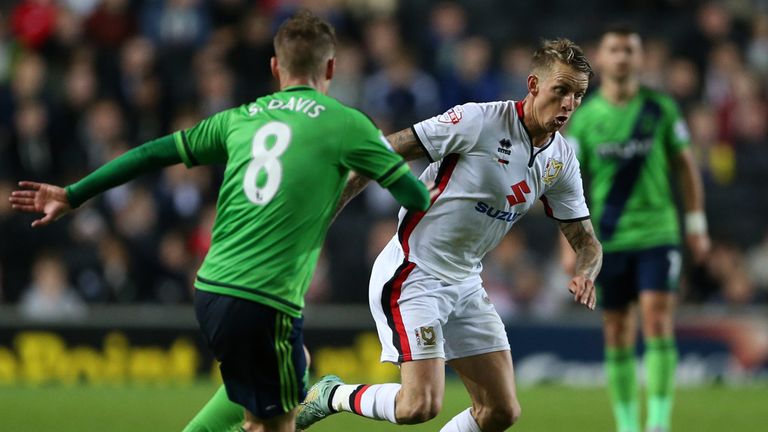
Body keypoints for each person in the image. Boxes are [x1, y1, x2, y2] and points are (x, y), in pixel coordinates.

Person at [9, 10, 430, 432]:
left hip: (211, 289)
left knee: (277, 385)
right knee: (277, 423)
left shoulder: (240, 118)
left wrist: (72, 194)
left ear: (275, 67)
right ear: (331, 67)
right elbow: (412, 195)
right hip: (267, 300)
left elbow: (151, 154)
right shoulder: (347, 124)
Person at [297, 38, 603, 432]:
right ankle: (332, 394)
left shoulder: (560, 160)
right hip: (414, 272)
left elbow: (586, 240)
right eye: (561, 90)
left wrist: (587, 271)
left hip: (466, 282)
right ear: (533, 85)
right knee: (418, 405)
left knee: (500, 411)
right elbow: (380, 154)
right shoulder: (479, 121)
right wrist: (317, 224)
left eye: (578, 95)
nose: (568, 104)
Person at [562, 26, 710, 432]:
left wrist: (696, 225)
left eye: (630, 50)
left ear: (641, 58)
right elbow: (567, 185)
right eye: (615, 49)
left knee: (657, 317)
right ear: (602, 58)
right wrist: (569, 244)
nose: (623, 57)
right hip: (608, 239)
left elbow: (687, 169)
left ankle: (658, 422)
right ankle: (628, 426)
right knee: (616, 329)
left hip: (658, 232)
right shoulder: (587, 117)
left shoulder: (661, 109)